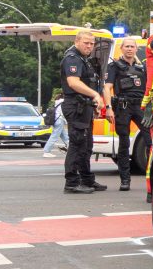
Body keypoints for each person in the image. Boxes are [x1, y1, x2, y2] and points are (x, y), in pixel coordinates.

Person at [59, 30, 107, 194]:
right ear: (77, 41)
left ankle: (87, 180)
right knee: (77, 144)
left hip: (84, 106)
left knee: (86, 146)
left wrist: (92, 105)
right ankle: (71, 183)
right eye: (86, 43)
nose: (89, 46)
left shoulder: (83, 59)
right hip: (75, 106)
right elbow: (73, 83)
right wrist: (94, 95)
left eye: (92, 43)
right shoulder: (72, 58)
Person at [105, 38, 146, 191]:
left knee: (149, 140)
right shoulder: (114, 66)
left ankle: (151, 176)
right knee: (124, 143)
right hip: (123, 106)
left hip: (140, 106)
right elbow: (107, 87)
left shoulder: (142, 67)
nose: (129, 49)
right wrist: (108, 107)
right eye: (127, 46)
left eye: (132, 46)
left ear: (136, 49)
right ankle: (125, 180)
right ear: (122, 48)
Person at [41, 90, 67, 157]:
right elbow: (64, 113)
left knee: (65, 137)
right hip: (60, 120)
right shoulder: (63, 102)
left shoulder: (58, 101)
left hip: (57, 120)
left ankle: (71, 149)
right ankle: (46, 151)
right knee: (54, 136)